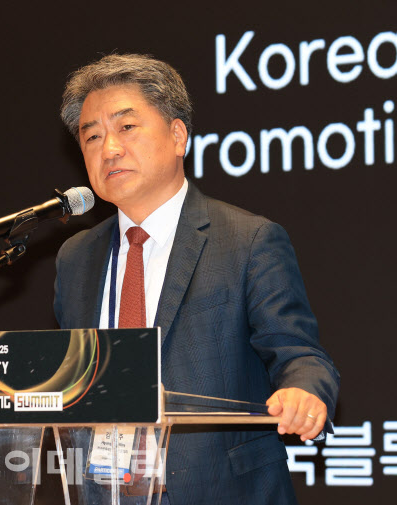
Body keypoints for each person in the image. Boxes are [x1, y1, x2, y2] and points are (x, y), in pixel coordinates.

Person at [53, 54, 339, 504]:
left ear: (177, 135)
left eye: (126, 127)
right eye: (92, 136)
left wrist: (304, 391)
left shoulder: (247, 241)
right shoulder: (75, 257)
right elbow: (69, 379)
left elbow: (298, 353)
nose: (109, 149)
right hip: (106, 491)